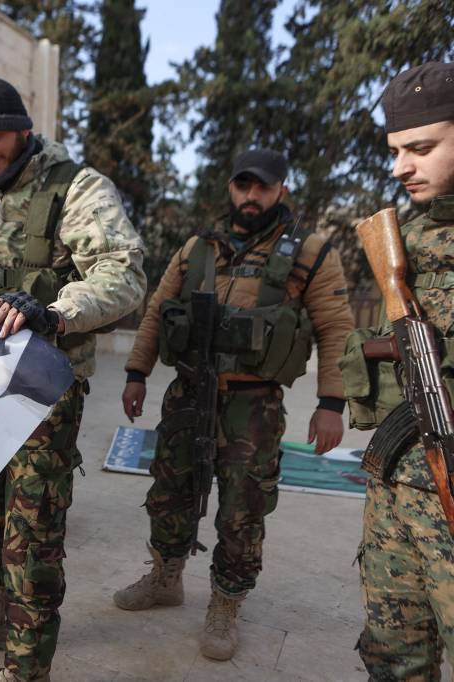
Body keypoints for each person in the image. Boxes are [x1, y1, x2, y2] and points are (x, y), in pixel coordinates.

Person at [0, 77, 147, 682]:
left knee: (31, 532)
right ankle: (1, 614)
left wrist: (55, 312)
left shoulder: (75, 189)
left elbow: (124, 273)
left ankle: (27, 666)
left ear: (23, 128)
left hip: (43, 388)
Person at [115, 148, 355, 661]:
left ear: (281, 190)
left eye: (263, 187)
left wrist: (331, 402)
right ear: (230, 188)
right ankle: (166, 577)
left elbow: (336, 328)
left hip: (254, 404)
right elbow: (157, 310)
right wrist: (136, 373)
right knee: (169, 491)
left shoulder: (310, 251)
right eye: (243, 185)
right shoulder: (198, 247)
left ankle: (225, 604)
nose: (252, 196)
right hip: (187, 392)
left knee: (243, 508)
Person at [348, 62, 454, 680]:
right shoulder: (406, 236)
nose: (400, 168)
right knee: (392, 654)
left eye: (421, 148)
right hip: (396, 484)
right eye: (395, 151)